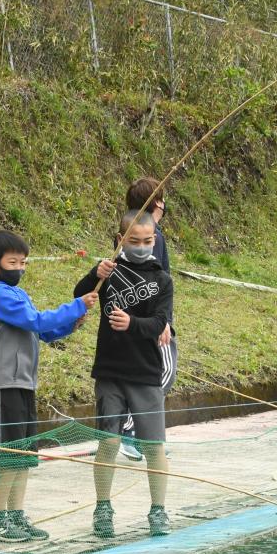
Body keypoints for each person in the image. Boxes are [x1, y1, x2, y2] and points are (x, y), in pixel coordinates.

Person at [0, 230, 96, 542]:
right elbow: (36, 321)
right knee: (9, 451)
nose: (20, 268)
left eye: (24, 262)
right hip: (4, 383)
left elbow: (43, 332)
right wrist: (76, 305)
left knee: (24, 454)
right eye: (13, 262)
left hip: (24, 382)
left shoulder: (18, 296)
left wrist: (71, 322)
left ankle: (15, 515)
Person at [74, 210, 174, 538]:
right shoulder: (110, 271)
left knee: (153, 445)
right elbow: (81, 295)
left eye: (147, 241)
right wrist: (93, 273)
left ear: (155, 241)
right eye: (134, 241)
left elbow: (161, 323)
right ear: (120, 241)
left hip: (145, 372)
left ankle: (158, 509)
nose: (141, 247)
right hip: (109, 371)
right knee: (109, 441)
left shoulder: (162, 279)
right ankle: (103, 508)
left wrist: (133, 325)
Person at [118, 177, 175, 462]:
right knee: (161, 375)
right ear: (156, 203)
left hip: (132, 319)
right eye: (162, 200)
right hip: (150, 321)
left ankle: (138, 434)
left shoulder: (129, 232)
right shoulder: (153, 237)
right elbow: (157, 279)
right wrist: (161, 322)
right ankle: (129, 432)